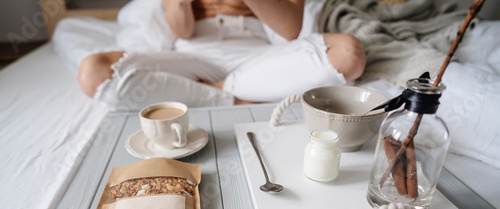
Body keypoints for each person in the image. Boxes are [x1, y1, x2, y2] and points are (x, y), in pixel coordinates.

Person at [77, 0, 366, 109]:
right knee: (93, 72)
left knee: (348, 55)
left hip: (255, 55)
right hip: (193, 53)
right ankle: (238, 99)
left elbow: (290, 29)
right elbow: (182, 29)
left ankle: (199, 93)